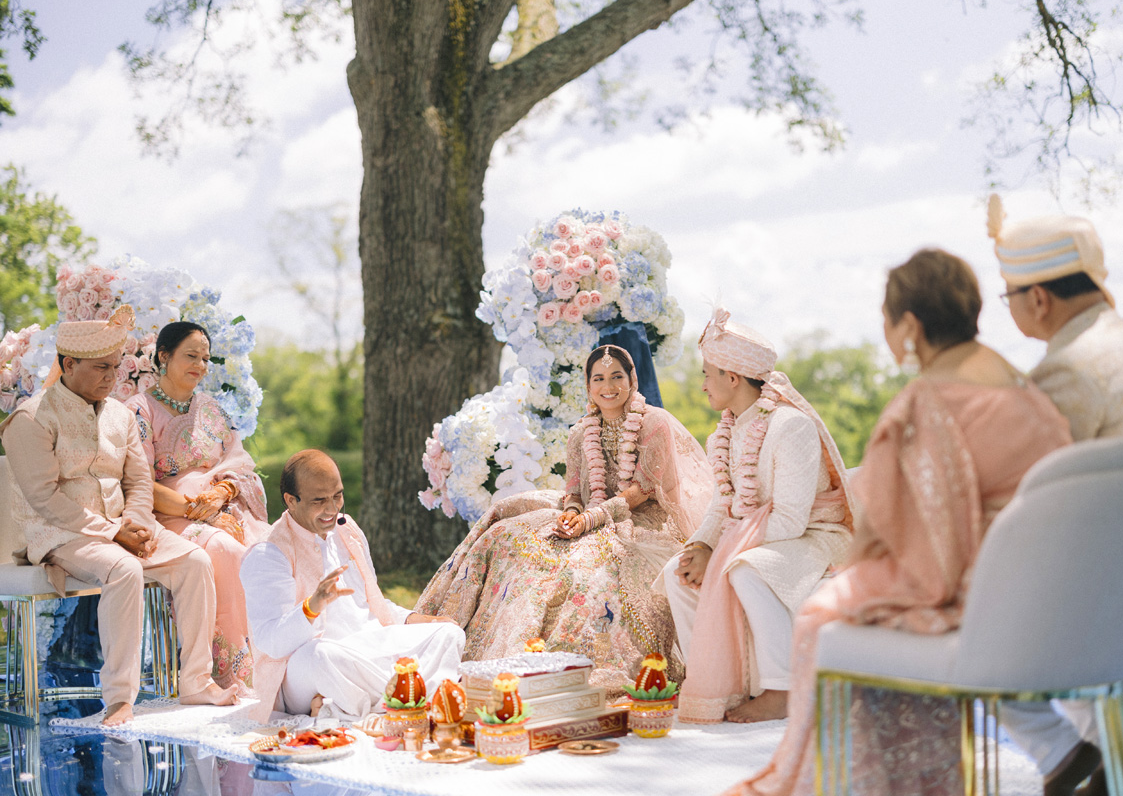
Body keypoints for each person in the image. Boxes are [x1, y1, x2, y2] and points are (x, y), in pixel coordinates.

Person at [728, 249, 1072, 796]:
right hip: (1045, 590)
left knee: (821, 616)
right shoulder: (1026, 390)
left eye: (885, 319)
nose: (886, 332)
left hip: (978, 597)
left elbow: (887, 535)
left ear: (909, 324)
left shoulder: (923, 405)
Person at [989, 194, 1123, 796]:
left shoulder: (1069, 368)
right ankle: (1096, 755)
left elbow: (1025, 501)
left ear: (1037, 298)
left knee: (955, 598)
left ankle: (1072, 752)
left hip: (1112, 602)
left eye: (1007, 296)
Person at [415, 344, 714, 693]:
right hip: (589, 513)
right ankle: (466, 637)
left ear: (632, 379)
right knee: (508, 534)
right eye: (598, 378)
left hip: (641, 521)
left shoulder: (653, 422)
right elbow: (572, 490)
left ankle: (573, 668)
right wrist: (571, 514)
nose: (609, 386)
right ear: (588, 386)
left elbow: (643, 490)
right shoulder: (579, 432)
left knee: (584, 564)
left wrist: (591, 520)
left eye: (617, 376)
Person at [0, 307, 238, 726]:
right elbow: (44, 498)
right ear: (68, 364)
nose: (111, 378)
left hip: (123, 528)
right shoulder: (31, 419)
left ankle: (196, 681)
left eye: (115, 367)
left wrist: (138, 524)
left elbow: (139, 483)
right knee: (125, 569)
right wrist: (115, 532)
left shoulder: (120, 415)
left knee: (194, 561)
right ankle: (119, 700)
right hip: (59, 534)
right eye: (100, 369)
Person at [663, 308, 855, 724]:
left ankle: (781, 689)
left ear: (732, 377)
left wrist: (718, 555)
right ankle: (716, 687)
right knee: (673, 572)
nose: (702, 385)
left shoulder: (790, 426)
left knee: (745, 570)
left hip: (815, 538)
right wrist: (699, 546)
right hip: (758, 535)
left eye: (707, 374)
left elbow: (790, 521)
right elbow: (723, 505)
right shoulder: (726, 432)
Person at [240, 449, 465, 722]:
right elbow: (271, 643)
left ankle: (377, 704)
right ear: (291, 500)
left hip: (367, 650)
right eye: (319, 500)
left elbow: (373, 606)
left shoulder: (348, 531)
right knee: (320, 655)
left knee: (448, 634)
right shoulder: (268, 554)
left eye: (338, 496)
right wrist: (312, 607)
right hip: (308, 669)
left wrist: (420, 620)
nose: (333, 509)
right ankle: (411, 699)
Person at [125, 321, 271, 690]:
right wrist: (198, 512)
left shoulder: (211, 409)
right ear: (163, 357)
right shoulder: (138, 411)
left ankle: (278, 663)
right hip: (166, 516)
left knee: (269, 549)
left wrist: (222, 496)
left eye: (205, 358)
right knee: (223, 549)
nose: (201, 365)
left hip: (222, 508)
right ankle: (233, 673)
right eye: (191, 356)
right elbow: (139, 481)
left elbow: (239, 464)